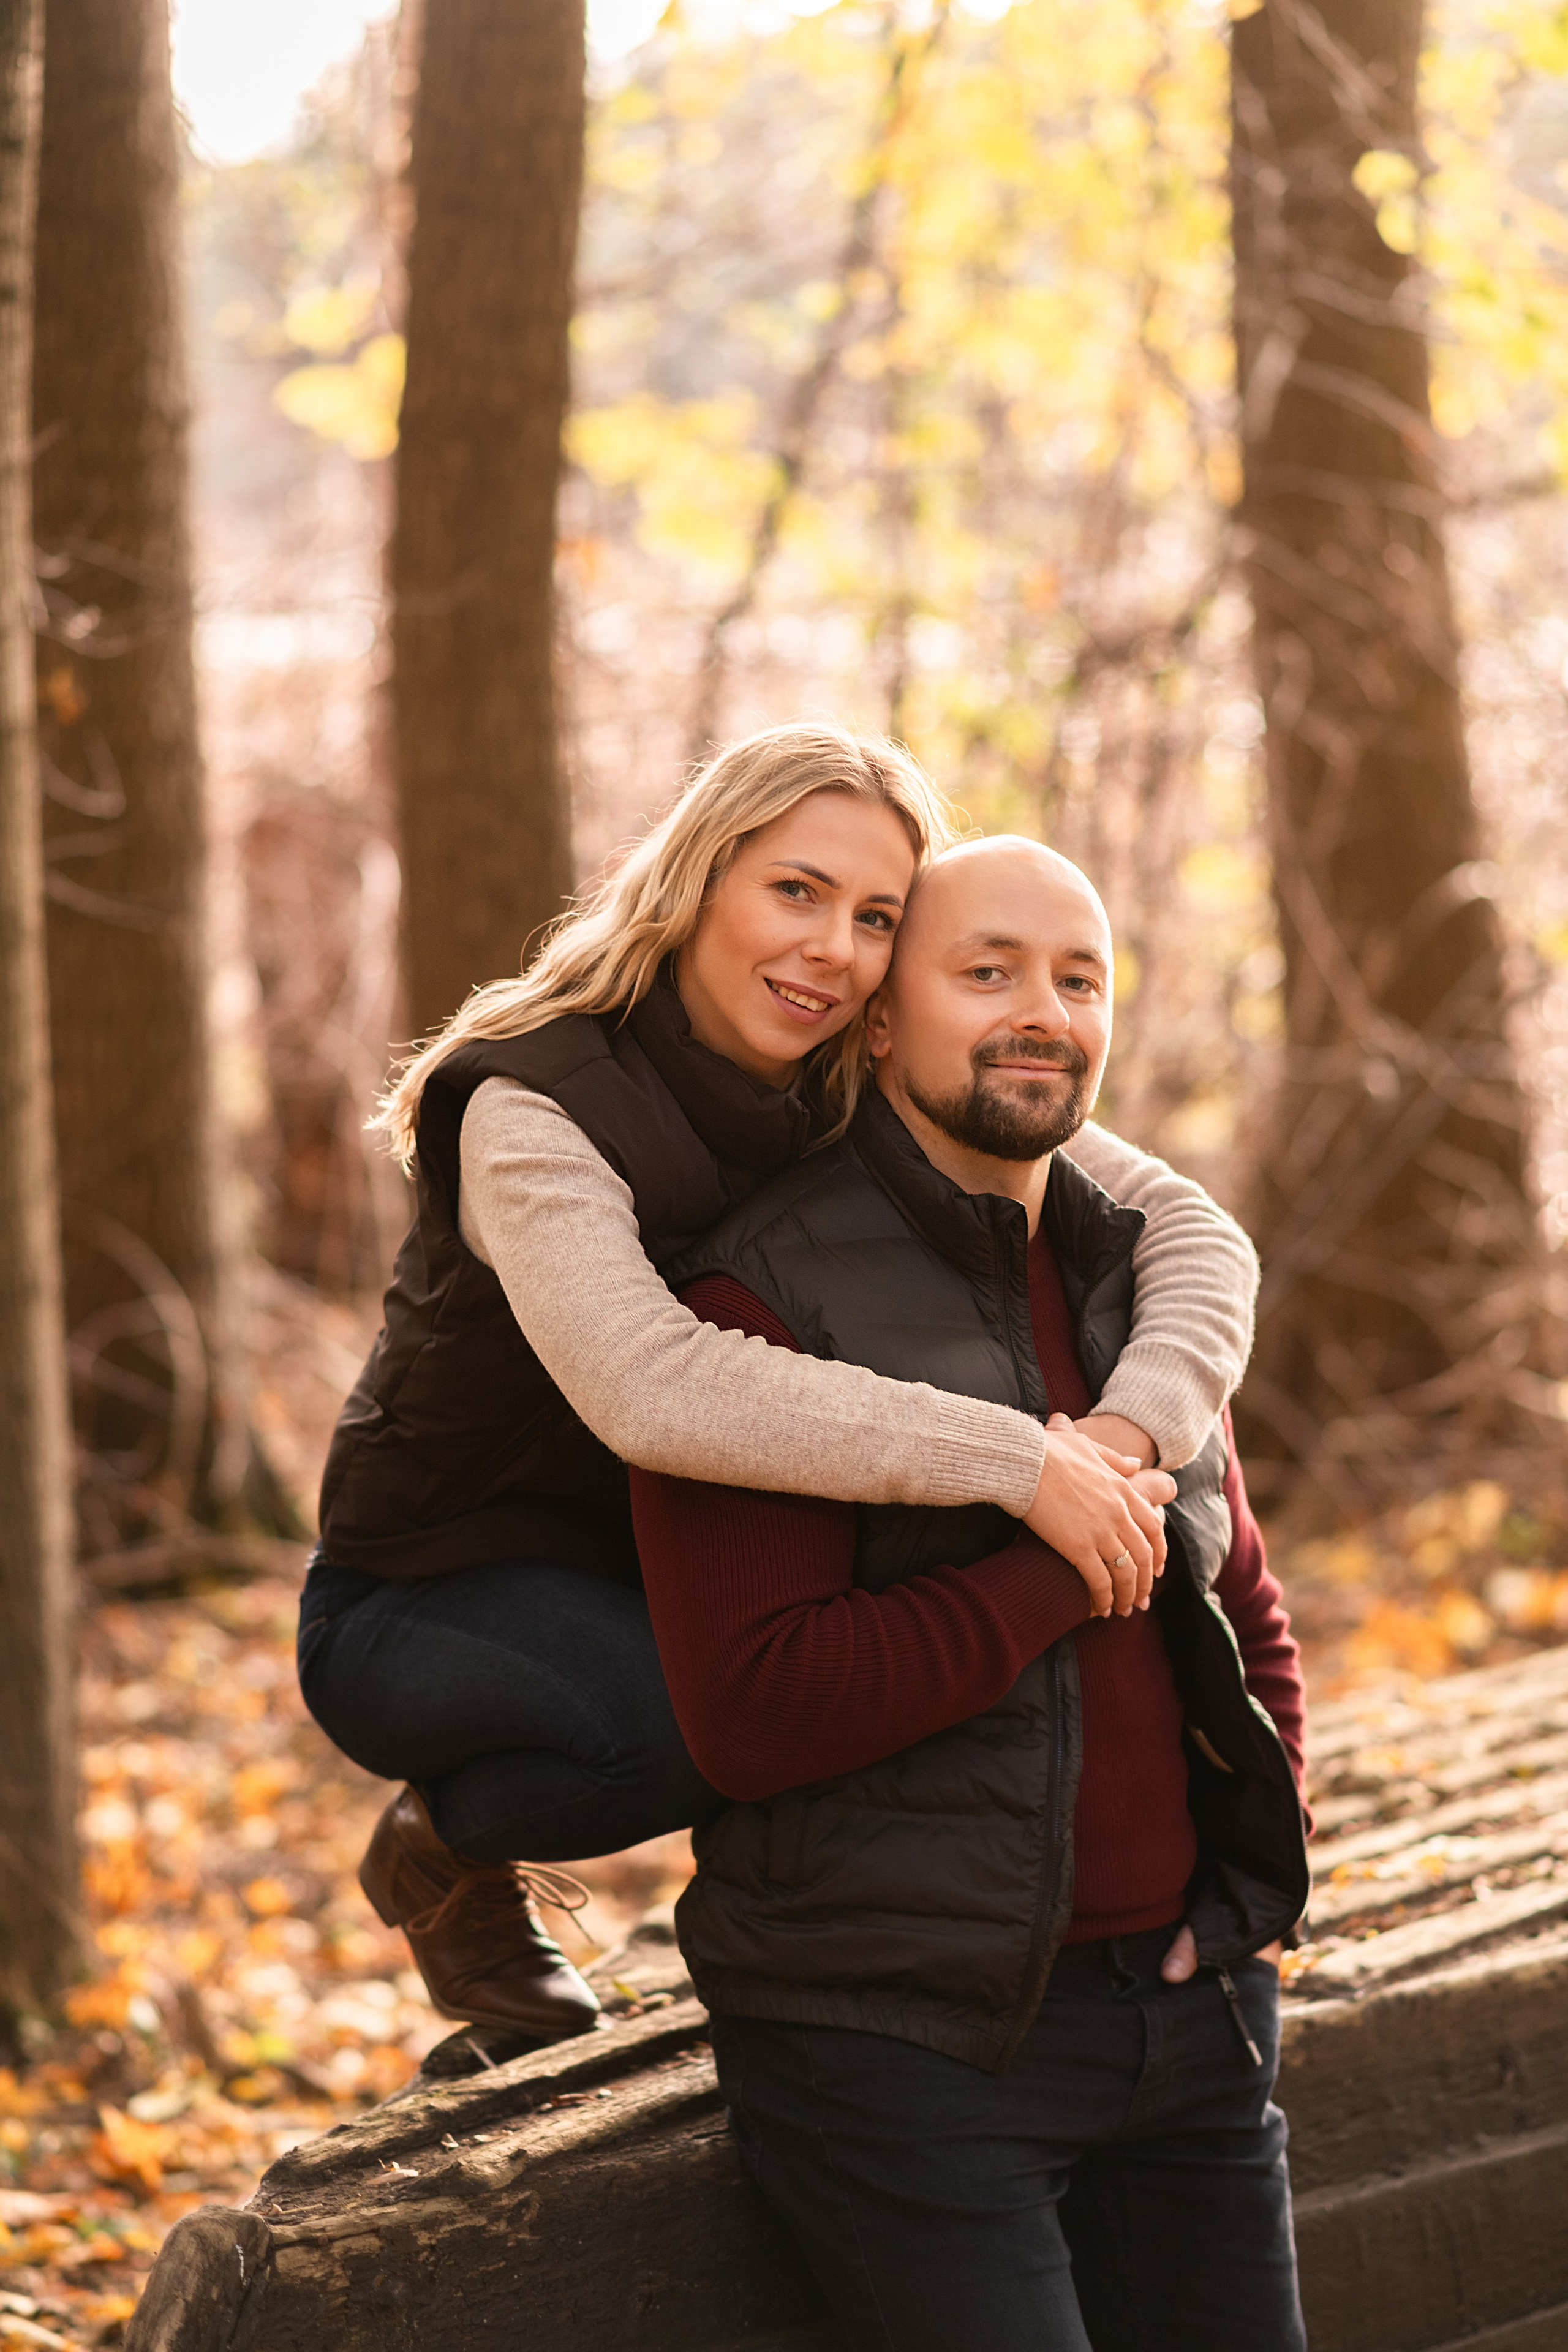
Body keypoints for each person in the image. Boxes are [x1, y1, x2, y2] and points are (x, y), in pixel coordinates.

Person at [297, 725, 1261, 2051]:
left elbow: (1195, 1232)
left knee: (842, 1671)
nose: (832, 948)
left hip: (655, 1569)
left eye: (875, 918)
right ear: (699, 878)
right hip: (427, 1596)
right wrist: (1018, 1462)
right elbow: (653, 1386)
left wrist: (1122, 1431)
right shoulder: (533, 1106)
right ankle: (442, 1850)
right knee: (718, 1728)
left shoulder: (852, 1064)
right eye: (794, 892)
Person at [628, 834, 1310, 2352]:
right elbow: (755, 1707)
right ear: (877, 1020)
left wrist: (1259, 1882)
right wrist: (1055, 1566)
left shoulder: (1142, 1276)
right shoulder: (758, 1299)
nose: (1039, 1012)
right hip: (904, 2050)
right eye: (985, 971)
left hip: (1191, 2019)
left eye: (1078, 979)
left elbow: (1238, 1601)